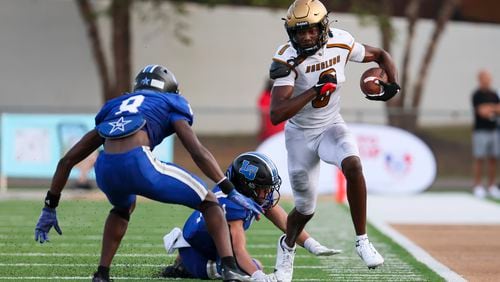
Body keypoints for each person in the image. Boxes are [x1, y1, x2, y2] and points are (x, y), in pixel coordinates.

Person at [34, 64, 262, 282]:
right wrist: (229, 189)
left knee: (122, 208)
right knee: (210, 202)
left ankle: (102, 273)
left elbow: (67, 160)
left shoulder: (115, 106)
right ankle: (231, 269)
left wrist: (49, 206)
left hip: (105, 168)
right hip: (138, 163)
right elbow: (197, 151)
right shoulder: (170, 102)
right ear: (169, 89)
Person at [268, 1, 401, 281]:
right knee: (305, 208)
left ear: (324, 27)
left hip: (330, 126)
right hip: (300, 135)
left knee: (353, 165)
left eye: (311, 30)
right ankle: (288, 245)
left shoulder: (341, 43)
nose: (305, 37)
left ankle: (362, 240)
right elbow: (277, 114)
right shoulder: (286, 58)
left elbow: (381, 54)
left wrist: (392, 85)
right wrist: (314, 92)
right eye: (299, 31)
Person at [160, 151, 340, 281]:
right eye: (263, 188)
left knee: (251, 267)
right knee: (249, 270)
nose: (268, 193)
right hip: (197, 253)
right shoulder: (231, 205)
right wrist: (259, 276)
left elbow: (287, 223)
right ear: (246, 186)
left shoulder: (249, 196)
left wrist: (312, 244)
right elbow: (237, 250)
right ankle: (185, 266)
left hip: (209, 245)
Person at [471, 69, 500, 199]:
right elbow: (481, 112)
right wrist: (492, 108)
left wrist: (491, 108)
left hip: (493, 131)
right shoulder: (477, 95)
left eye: (489, 77)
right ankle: (477, 185)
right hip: (480, 131)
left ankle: (492, 186)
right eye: (485, 78)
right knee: (479, 158)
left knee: (493, 158)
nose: (488, 80)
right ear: (480, 79)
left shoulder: (494, 94)